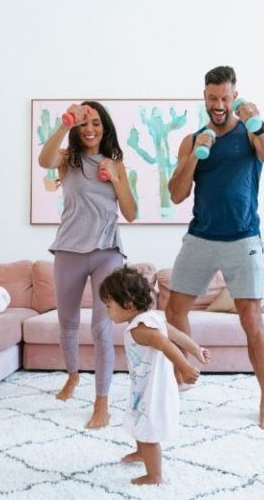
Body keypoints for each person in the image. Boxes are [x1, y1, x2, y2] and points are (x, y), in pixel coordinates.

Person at [166, 66, 264, 431]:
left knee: (251, 320)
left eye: (224, 98)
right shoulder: (192, 139)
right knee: (174, 310)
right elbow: (176, 194)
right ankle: (185, 376)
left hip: (243, 238)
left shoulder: (249, 133)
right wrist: (194, 154)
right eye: (212, 98)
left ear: (234, 97)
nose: (218, 105)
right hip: (200, 238)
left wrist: (259, 125)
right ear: (204, 97)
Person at [38, 101, 137, 429]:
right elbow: (44, 160)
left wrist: (116, 179)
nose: (90, 129)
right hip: (69, 249)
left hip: (108, 251)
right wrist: (64, 124)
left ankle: (101, 403)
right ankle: (72, 375)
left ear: (104, 127)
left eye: (96, 123)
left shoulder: (116, 164)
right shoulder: (69, 160)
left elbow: (131, 213)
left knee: (101, 327)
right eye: (84, 124)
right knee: (67, 323)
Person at [99, 266, 210, 485]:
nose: (107, 311)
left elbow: (166, 343)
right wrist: (196, 349)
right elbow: (176, 334)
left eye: (109, 306)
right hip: (144, 384)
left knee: (148, 428)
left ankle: (154, 475)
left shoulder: (141, 329)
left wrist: (185, 367)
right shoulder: (153, 318)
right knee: (138, 419)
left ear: (128, 305)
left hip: (154, 389)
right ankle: (141, 453)